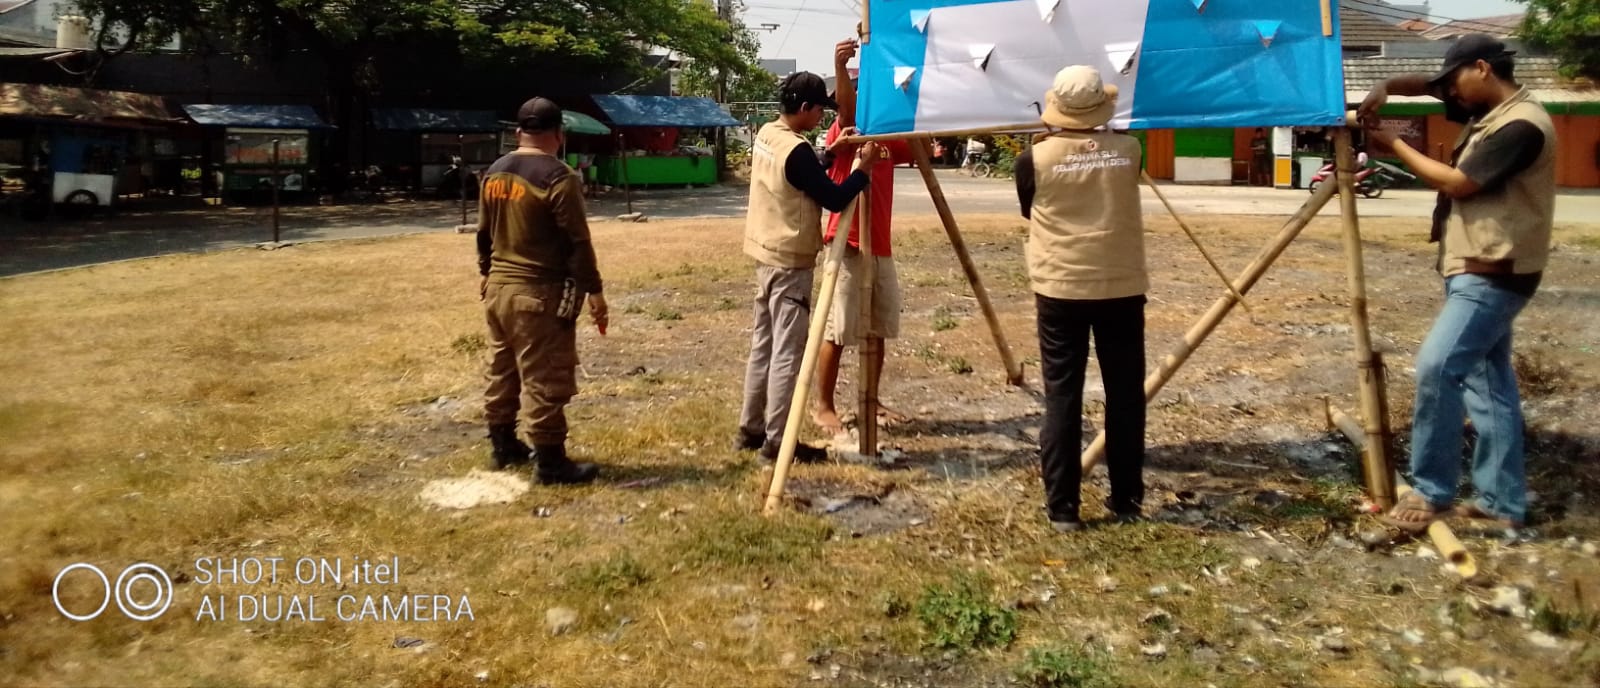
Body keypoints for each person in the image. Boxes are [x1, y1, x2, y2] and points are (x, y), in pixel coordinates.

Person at [1359, 35, 1557, 532]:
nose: (1449, 92)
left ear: (1482, 68)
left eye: (1455, 81)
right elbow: (1427, 86)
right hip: (1478, 265)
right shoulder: (1489, 109)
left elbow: (1458, 183)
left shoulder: (1520, 126)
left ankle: (1431, 491)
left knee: (1437, 367)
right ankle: (1502, 504)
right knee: (1489, 388)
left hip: (1494, 272)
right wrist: (1385, 85)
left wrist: (1393, 144)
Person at [1015, 65, 1148, 532]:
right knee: (1125, 393)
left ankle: (1063, 508)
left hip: (1061, 286)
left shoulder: (1032, 159)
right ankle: (1127, 498)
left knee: (1062, 394)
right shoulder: (1130, 150)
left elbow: (1029, 209)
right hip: (1121, 284)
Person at [737, 71, 879, 463]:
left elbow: (802, 175)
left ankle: (750, 429)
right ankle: (777, 441)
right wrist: (863, 170)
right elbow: (833, 197)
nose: (821, 117)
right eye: (819, 111)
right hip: (790, 263)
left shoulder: (769, 134)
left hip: (766, 254)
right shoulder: (796, 151)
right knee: (787, 352)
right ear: (803, 108)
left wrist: (831, 152)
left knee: (763, 345)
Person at [477, 97, 609, 485]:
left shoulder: (494, 172)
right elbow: (577, 241)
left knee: (502, 369)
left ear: (518, 132)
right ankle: (551, 462)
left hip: (498, 288)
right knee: (545, 374)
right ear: (558, 134)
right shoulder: (558, 176)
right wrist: (595, 292)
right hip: (538, 292)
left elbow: (483, 234)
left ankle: (503, 444)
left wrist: (485, 272)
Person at [813, 37, 916, 436]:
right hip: (849, 241)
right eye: (857, 91)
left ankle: (871, 400)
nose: (863, 98)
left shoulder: (890, 137)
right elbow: (848, 109)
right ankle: (823, 406)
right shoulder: (847, 131)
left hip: (880, 244)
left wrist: (913, 91)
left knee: (878, 328)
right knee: (838, 329)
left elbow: (922, 145)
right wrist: (841, 68)